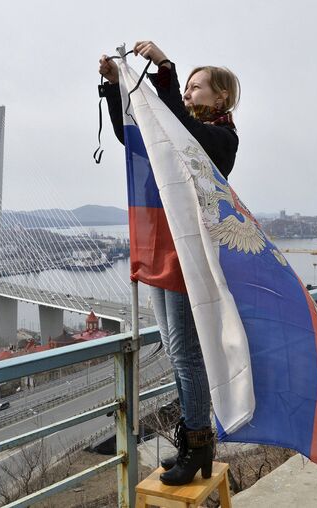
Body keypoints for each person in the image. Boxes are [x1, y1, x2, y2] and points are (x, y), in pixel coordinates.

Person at [98, 41, 240, 486]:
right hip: (159, 247)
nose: (188, 93)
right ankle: (191, 442)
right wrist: (113, 87)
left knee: (185, 353)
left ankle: (198, 444)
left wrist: (164, 66)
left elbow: (177, 123)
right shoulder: (174, 132)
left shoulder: (220, 138)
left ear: (220, 98)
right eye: (188, 86)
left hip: (184, 251)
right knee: (176, 352)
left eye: (197, 87)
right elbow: (132, 137)